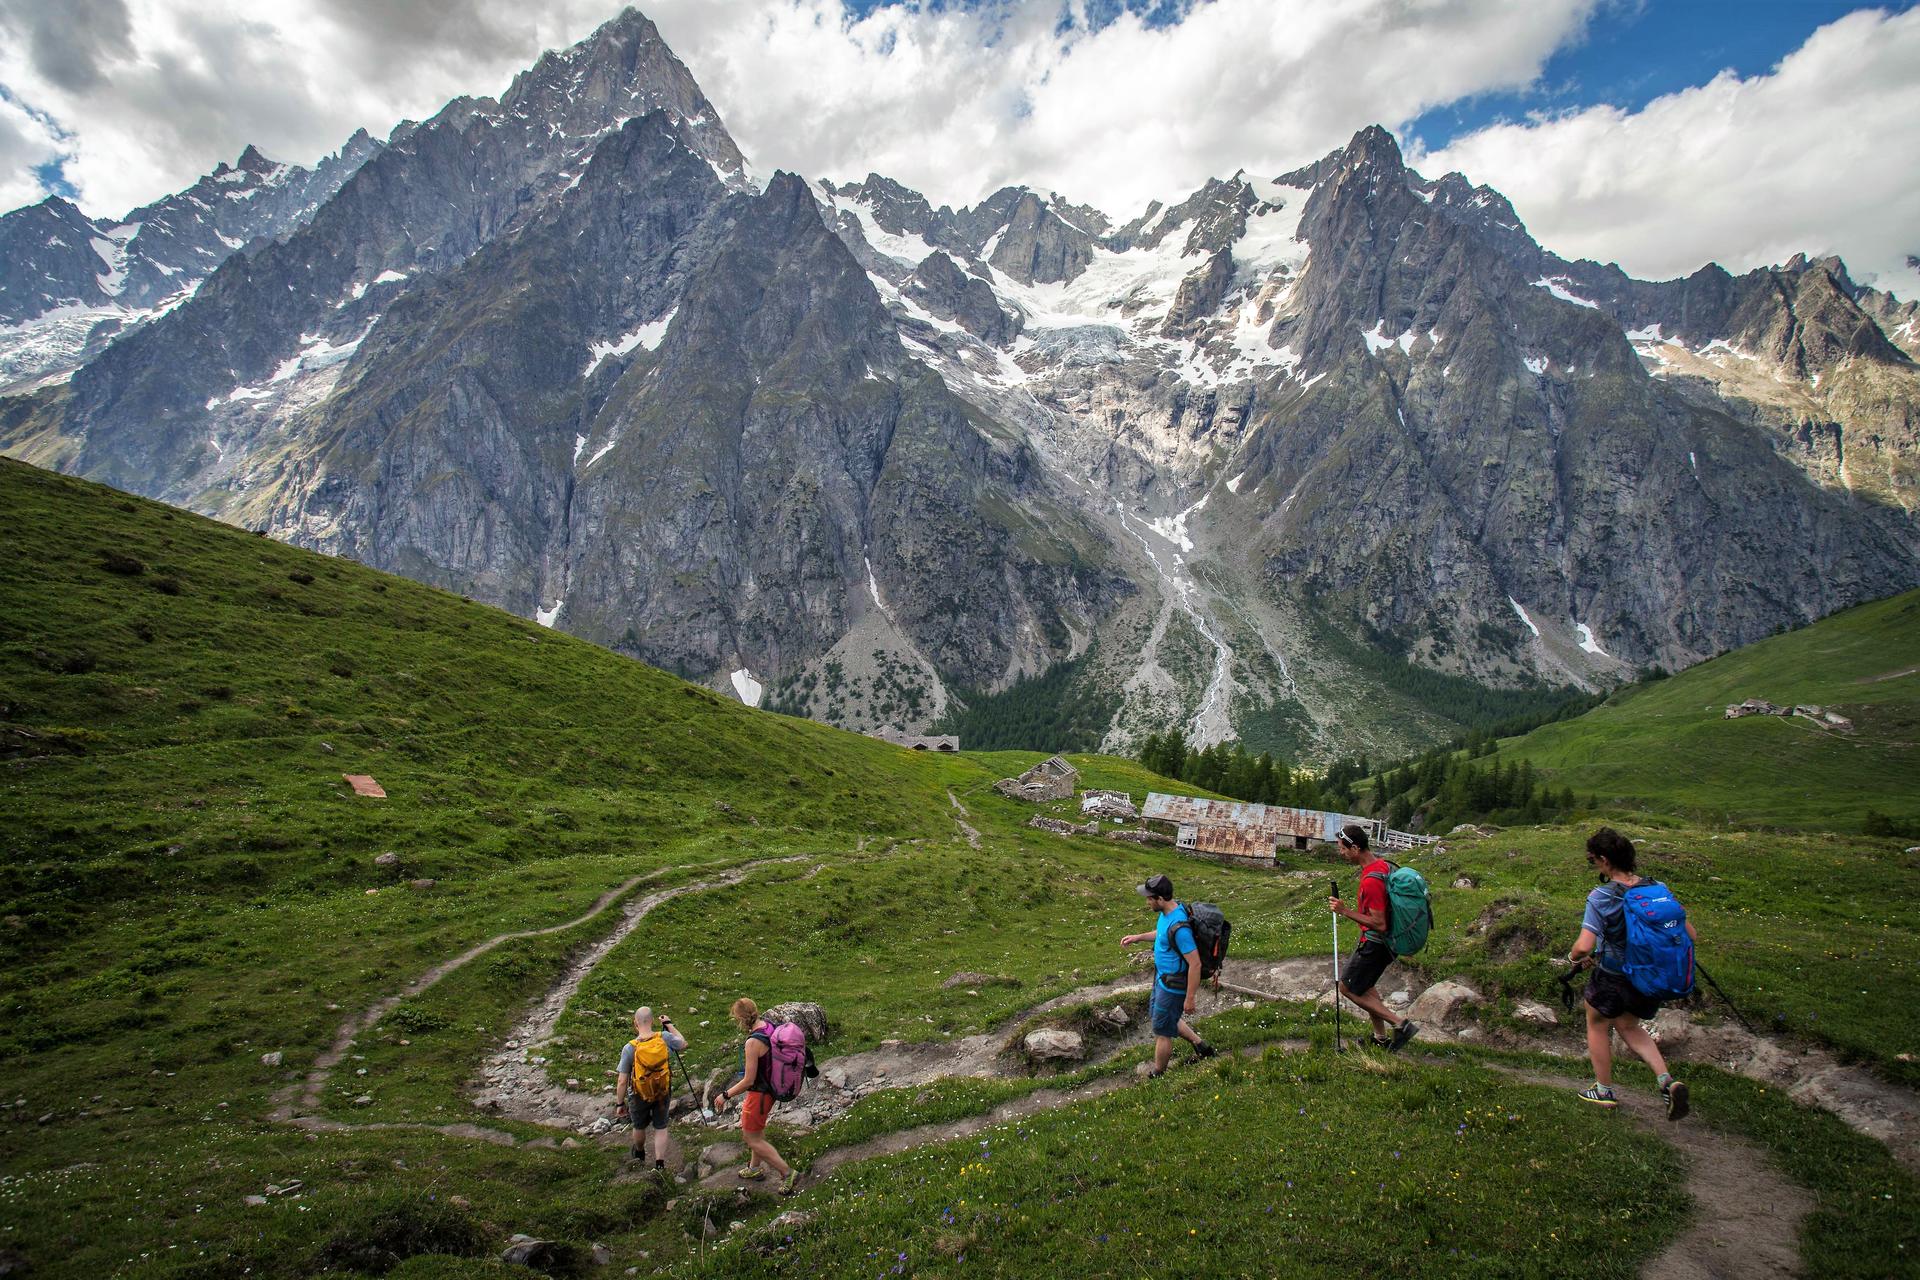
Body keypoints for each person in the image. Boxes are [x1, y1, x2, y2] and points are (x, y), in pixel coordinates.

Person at [1567, 827, 1692, 1119]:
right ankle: (1666, 1081)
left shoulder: (1602, 896)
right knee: (1629, 1026)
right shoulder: (1656, 889)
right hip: (1648, 976)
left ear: (1604, 860)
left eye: (1592, 860)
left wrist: (1572, 958)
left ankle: (1603, 1090)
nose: (1593, 865)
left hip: (1613, 973)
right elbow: (1690, 934)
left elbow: (1585, 946)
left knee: (1597, 1022)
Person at [1329, 824, 1419, 1052]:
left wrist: (1344, 911)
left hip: (1376, 944)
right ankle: (1380, 1037)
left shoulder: (1371, 880)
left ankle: (1401, 1025)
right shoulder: (1383, 866)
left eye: (1343, 849)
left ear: (1355, 847)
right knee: (1366, 986)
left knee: (1347, 988)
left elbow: (1380, 923)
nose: (1341, 853)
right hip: (1386, 943)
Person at [1120, 873, 1218, 1076]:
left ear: (1160, 899)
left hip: (1173, 985)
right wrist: (1138, 937)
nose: (1147, 901)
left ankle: (1158, 1074)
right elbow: (1163, 934)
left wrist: (1190, 998)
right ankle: (1201, 1046)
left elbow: (1195, 963)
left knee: (1162, 1032)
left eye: (1149, 898)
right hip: (1161, 978)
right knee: (1163, 1018)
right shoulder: (1168, 913)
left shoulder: (1180, 928)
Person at [711, 997, 798, 1195]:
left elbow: (749, 1080)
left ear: (740, 1019)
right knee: (756, 1131)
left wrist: (725, 1095)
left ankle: (787, 1173)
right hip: (773, 1089)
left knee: (751, 1138)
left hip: (759, 1095)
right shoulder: (768, 1026)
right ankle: (754, 1168)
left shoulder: (752, 1043)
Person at [614, 1006, 687, 1170]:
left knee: (639, 1126)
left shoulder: (630, 1047)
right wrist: (669, 1024)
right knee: (661, 1126)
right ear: (652, 1021)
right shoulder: (665, 1037)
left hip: (639, 1094)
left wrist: (620, 1103)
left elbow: (622, 1080)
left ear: (635, 1023)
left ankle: (639, 1153)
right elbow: (683, 1043)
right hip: (662, 1090)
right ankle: (660, 1164)